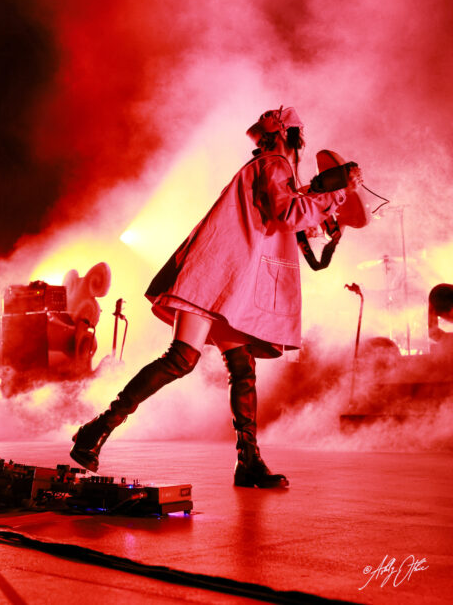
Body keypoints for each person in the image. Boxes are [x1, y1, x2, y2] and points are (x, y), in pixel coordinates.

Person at [70, 106, 363, 487]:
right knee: (181, 359)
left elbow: (287, 218)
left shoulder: (269, 168)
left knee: (242, 368)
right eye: (301, 136)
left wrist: (322, 206)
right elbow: (288, 213)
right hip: (215, 276)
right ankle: (96, 429)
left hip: (226, 278)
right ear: (291, 136)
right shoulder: (276, 165)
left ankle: (248, 461)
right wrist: (336, 196)